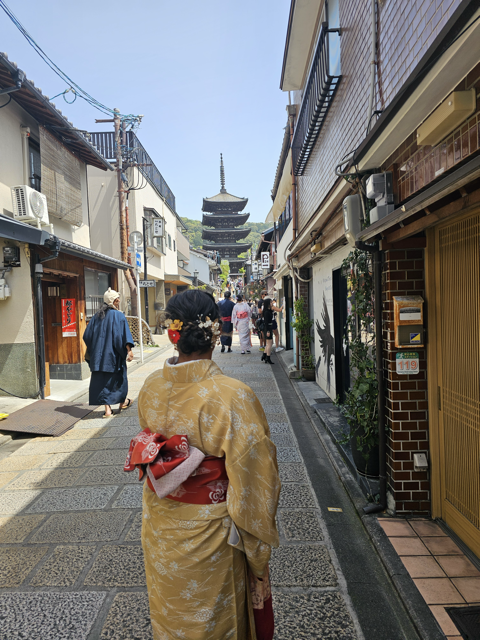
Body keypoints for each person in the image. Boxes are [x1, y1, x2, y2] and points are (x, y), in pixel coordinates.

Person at [129, 289, 280, 640]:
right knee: (215, 623)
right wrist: (257, 552)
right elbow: (256, 480)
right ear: (215, 333)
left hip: (160, 519)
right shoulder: (232, 395)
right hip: (211, 534)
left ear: (173, 334)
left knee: (171, 618)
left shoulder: (151, 386)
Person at [83, 287, 134, 418]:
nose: (119, 301)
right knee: (119, 380)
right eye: (118, 299)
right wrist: (128, 350)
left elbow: (87, 336)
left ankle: (108, 410)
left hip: (99, 358)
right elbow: (123, 336)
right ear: (115, 301)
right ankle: (122, 402)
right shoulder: (119, 316)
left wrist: (95, 349)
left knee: (102, 382)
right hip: (114, 356)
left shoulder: (96, 317)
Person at [261, 298, 284, 365]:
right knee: (269, 344)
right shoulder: (266, 312)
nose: (272, 303)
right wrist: (268, 331)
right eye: (271, 302)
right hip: (267, 328)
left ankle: (264, 356)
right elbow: (266, 322)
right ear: (268, 303)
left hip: (269, 328)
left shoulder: (268, 310)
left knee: (269, 343)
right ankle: (268, 358)